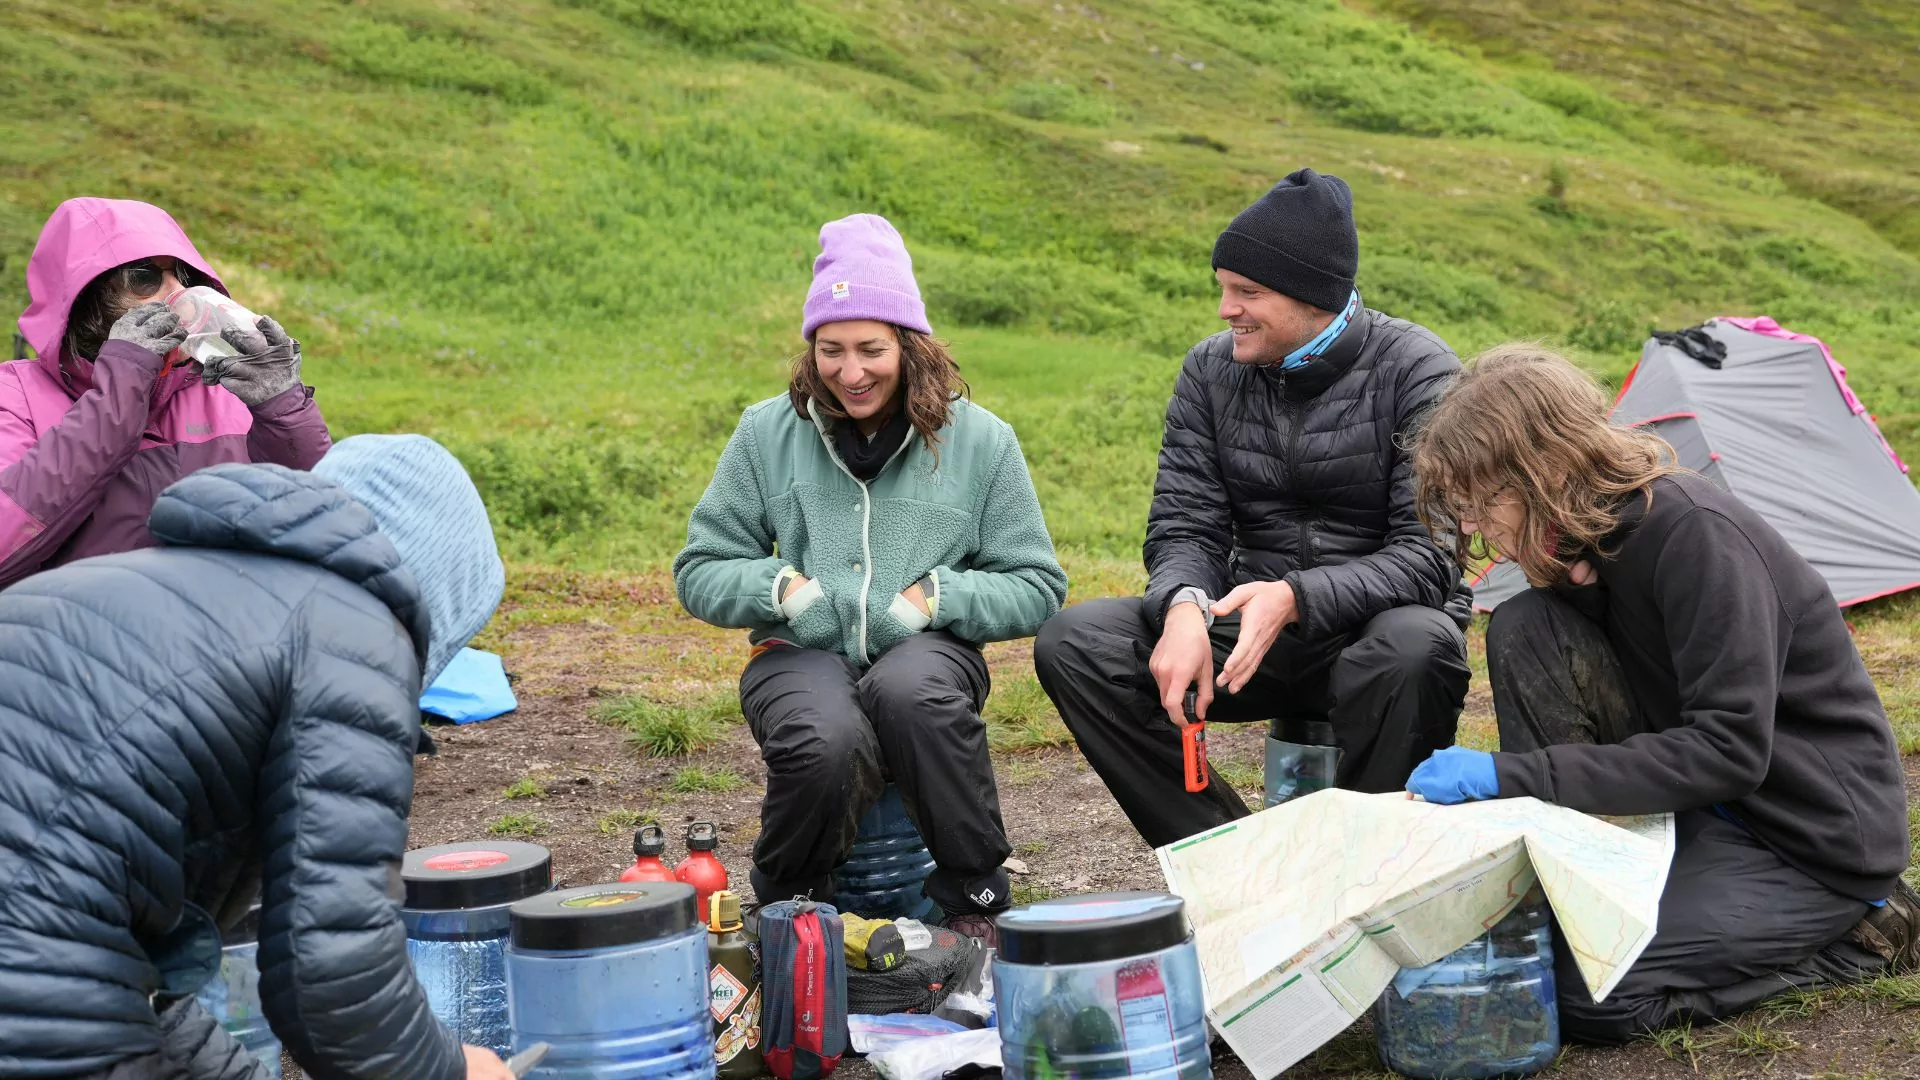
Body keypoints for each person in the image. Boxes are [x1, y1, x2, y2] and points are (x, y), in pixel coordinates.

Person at [1404, 344, 1919, 1042]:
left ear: (1546, 468)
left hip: (1805, 842)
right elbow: (1642, 672)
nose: (1475, 528)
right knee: (1524, 622)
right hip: (1699, 814)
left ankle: (1866, 939)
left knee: (1583, 988)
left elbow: (1729, 752)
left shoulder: (1695, 536)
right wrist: (1573, 588)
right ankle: (1574, 866)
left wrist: (1508, 776)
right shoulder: (1589, 543)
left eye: (1484, 500)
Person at [0, 434, 514, 1080]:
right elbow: (332, 976)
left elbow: (125, 966)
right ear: (439, 592)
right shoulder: (350, 634)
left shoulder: (154, 590)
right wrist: (453, 1070)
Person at [1033, 168, 1472, 848]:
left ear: (1312, 296)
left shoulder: (1419, 370)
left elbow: (1430, 558)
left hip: (1373, 633)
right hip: (1245, 633)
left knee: (1418, 647)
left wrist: (1295, 597)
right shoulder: (1210, 372)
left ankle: (1369, 866)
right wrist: (1182, 604)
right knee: (1078, 643)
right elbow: (1185, 524)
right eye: (1223, 289)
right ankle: (1230, 855)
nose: (1224, 310)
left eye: (1247, 292)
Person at [674, 213, 1068, 940]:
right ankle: (792, 911)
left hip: (930, 651)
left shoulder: (981, 441)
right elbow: (700, 568)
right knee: (825, 735)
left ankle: (971, 904)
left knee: (909, 692)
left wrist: (936, 597)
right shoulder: (766, 433)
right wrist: (782, 590)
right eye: (831, 350)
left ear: (910, 345)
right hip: (798, 653)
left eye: (870, 350)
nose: (850, 372)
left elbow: (1038, 584)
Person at [3, 197, 330, 589]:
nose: (176, 292)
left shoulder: (224, 389)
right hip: (76, 642)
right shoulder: (16, 395)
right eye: (145, 277)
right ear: (86, 301)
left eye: (184, 275)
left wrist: (283, 409)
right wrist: (120, 391)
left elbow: (324, 527)